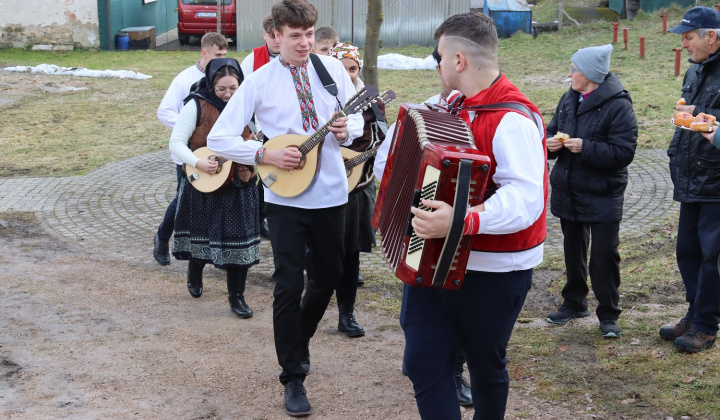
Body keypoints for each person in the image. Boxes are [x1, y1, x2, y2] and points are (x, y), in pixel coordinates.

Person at [206, 0, 364, 415]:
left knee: (329, 274)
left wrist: (350, 129)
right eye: (295, 36)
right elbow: (221, 139)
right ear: (275, 36)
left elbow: (361, 122)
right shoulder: (258, 81)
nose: (305, 43)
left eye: (309, 35)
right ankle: (293, 376)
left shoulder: (331, 72)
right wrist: (264, 155)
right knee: (288, 283)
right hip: (284, 199)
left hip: (332, 193)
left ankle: (298, 338)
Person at [403, 12, 546, 419]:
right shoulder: (447, 107)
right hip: (433, 262)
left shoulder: (512, 119)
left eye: (440, 56)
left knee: (485, 366)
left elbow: (525, 200)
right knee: (423, 363)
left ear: (459, 60)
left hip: (494, 271)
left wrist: (461, 220)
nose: (437, 64)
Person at [544, 44, 638, 339]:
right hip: (569, 187)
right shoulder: (568, 98)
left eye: (574, 68)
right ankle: (574, 302)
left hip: (603, 192)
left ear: (591, 74)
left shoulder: (618, 105)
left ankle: (609, 314)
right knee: (573, 251)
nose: (569, 73)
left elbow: (623, 153)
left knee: (603, 254)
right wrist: (549, 144)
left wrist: (586, 147)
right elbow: (551, 131)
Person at [169, 58, 259, 319]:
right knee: (202, 234)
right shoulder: (196, 104)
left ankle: (237, 297)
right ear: (211, 84)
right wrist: (198, 162)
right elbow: (176, 143)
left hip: (240, 182)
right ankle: (195, 270)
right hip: (203, 182)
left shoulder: (249, 105)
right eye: (222, 89)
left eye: (234, 88)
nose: (229, 95)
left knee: (239, 242)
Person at [658, 6, 720, 353]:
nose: (684, 44)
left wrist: (697, 114)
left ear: (711, 36)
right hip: (692, 175)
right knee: (688, 251)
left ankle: (707, 326)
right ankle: (695, 312)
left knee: (712, 258)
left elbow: (705, 117)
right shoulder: (697, 70)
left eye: (689, 37)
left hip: (717, 178)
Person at [153, 33, 228, 266]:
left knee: (219, 202)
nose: (222, 60)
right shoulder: (184, 80)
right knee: (182, 201)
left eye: (225, 55)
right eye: (218, 55)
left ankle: (218, 252)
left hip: (218, 156)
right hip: (188, 155)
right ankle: (162, 238)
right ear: (204, 53)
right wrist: (192, 129)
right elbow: (164, 111)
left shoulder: (225, 79)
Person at [240, 15, 282, 239]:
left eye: (279, 34)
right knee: (261, 177)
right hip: (260, 131)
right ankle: (258, 219)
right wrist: (252, 129)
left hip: (284, 129)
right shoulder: (252, 59)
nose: (276, 40)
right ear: (265, 34)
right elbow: (241, 98)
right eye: (271, 35)